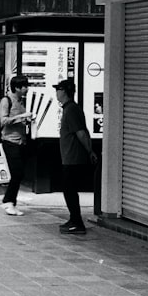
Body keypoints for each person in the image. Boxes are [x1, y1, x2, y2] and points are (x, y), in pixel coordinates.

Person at [54, 79, 98, 235]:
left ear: (65, 91)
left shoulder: (71, 109)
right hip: (70, 157)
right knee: (69, 189)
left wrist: (90, 151)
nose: (56, 92)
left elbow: (81, 133)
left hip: (74, 158)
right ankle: (74, 220)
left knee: (69, 190)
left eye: (58, 89)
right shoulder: (69, 108)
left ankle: (77, 222)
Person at [0, 75, 33, 216]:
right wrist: (21, 117)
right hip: (10, 141)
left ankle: (11, 203)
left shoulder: (20, 101)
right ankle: (7, 202)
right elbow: (3, 121)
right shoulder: (6, 101)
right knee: (17, 172)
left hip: (21, 142)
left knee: (19, 174)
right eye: (24, 86)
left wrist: (27, 120)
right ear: (17, 87)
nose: (27, 89)